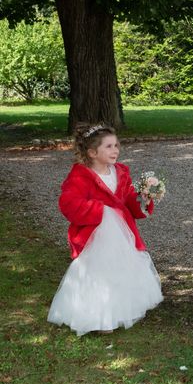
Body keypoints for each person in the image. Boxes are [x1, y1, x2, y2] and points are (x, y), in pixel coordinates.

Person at [48, 123, 163, 336]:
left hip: (121, 233)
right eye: (109, 146)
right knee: (99, 273)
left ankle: (121, 309)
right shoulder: (80, 176)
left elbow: (129, 199)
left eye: (116, 145)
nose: (115, 150)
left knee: (123, 269)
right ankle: (99, 316)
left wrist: (143, 197)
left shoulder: (120, 172)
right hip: (97, 235)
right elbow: (69, 203)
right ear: (92, 152)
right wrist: (100, 210)